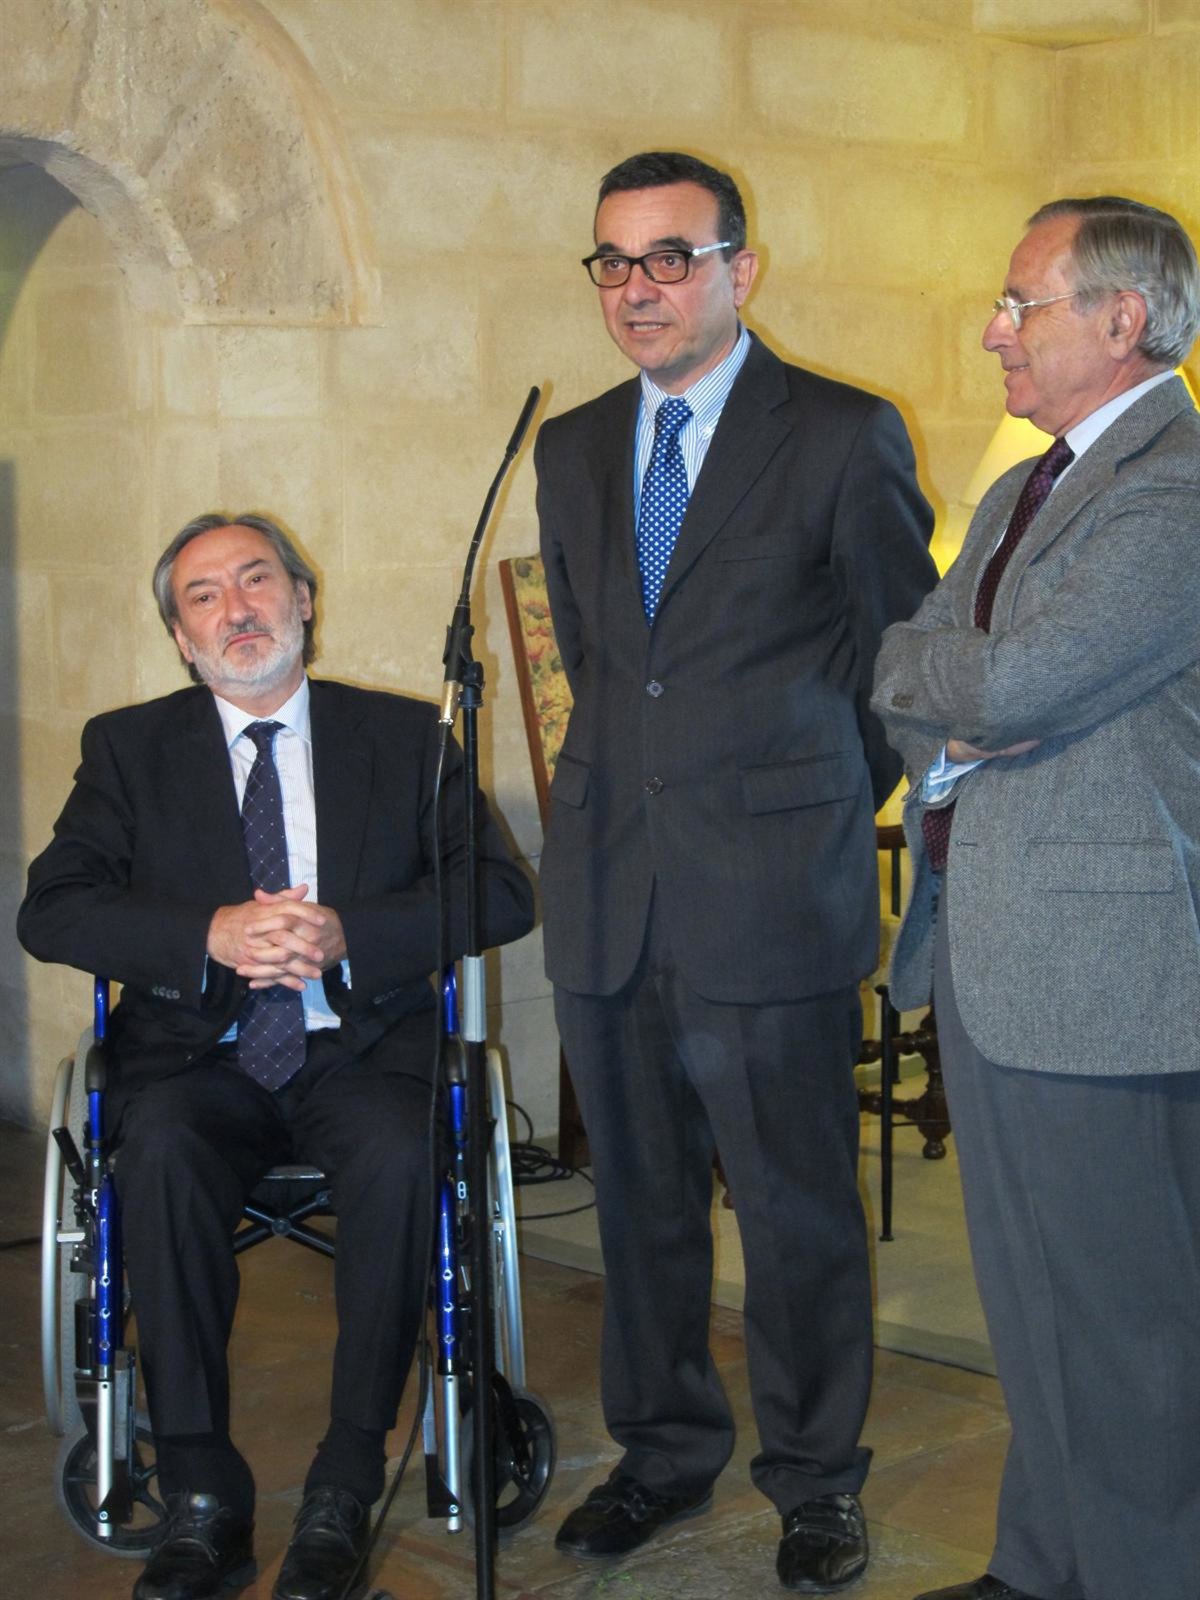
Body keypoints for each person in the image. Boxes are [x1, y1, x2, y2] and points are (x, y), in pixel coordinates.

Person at [534, 150, 937, 1592]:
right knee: (639, 1204)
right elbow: (602, 661)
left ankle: (818, 1479)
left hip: (772, 897)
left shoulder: (838, 432)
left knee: (794, 1213)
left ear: (739, 269)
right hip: (610, 893)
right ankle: (660, 1452)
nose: (637, 288)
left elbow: (904, 663)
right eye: (614, 262)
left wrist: (802, 813)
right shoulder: (572, 447)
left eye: (671, 257)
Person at [18, 513, 534, 1600]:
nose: (236, 609)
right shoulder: (128, 749)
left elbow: (498, 891)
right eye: (203, 596)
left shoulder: (404, 737)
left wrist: (353, 932)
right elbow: (52, 908)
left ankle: (346, 1482)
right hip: (197, 1059)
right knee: (157, 1152)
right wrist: (206, 933)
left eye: (256, 580)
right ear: (180, 635)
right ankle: (202, 1495)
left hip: (362, 1048)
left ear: (304, 598)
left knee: (400, 1152)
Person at [871, 197, 1200, 1600]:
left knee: (1125, 1323)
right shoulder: (1022, 490)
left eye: (1021, 303)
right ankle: (1044, 1563)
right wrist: (955, 715)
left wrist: (961, 693)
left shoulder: (1176, 489)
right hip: (993, 946)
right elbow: (904, 662)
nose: (992, 331)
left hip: (1106, 968)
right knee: (1031, 1298)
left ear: (1123, 319)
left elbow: (1012, 680)